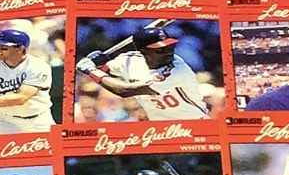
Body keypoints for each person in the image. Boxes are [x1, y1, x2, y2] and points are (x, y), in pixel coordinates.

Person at [76, 24, 210, 120]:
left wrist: (91, 70)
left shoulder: (176, 70)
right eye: (159, 50)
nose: (168, 52)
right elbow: (105, 71)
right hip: (162, 129)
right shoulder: (128, 61)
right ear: (143, 51)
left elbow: (125, 91)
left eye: (170, 47)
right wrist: (97, 63)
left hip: (194, 123)